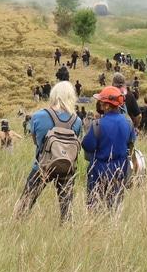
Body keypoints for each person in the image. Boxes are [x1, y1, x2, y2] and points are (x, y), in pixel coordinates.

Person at [16, 81, 83, 223]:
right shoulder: (76, 120)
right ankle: (66, 232)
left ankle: (18, 226)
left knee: (25, 203)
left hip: (42, 166)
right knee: (67, 209)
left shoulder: (39, 115)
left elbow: (35, 141)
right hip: (67, 166)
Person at [81, 87, 137, 212]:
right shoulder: (128, 123)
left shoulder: (97, 125)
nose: (99, 104)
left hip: (98, 174)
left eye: (101, 102)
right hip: (120, 172)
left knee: (95, 211)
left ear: (107, 106)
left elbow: (87, 145)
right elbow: (131, 144)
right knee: (115, 209)